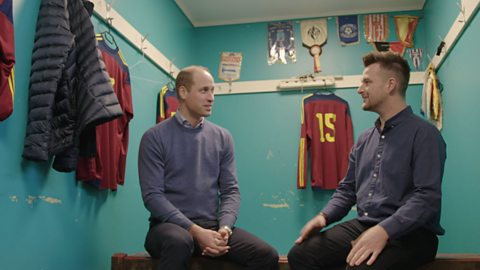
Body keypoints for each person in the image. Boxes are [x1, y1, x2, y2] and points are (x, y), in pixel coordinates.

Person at [288, 51, 447, 270]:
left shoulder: (424, 134)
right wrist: (323, 217)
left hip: (413, 234)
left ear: (390, 85)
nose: (359, 89)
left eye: (366, 82)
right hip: (366, 223)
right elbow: (347, 190)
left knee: (358, 268)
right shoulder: (364, 139)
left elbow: (427, 198)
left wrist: (385, 231)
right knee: (301, 255)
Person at [138, 66, 279, 270]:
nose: (211, 97)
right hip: (168, 228)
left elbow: (231, 191)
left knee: (266, 255)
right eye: (204, 90)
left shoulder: (223, 137)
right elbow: (152, 197)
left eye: (213, 90)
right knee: (180, 242)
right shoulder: (154, 137)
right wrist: (194, 231)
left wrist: (224, 229)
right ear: (183, 92)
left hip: (212, 226)